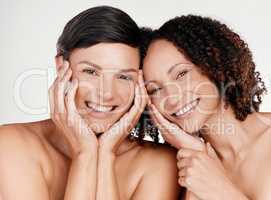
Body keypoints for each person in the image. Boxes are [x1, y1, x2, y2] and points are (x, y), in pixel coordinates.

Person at [0, 6, 180, 200]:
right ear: (62, 67)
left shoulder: (159, 164)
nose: (107, 94)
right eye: (91, 72)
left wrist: (106, 154)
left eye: (123, 77)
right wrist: (85, 153)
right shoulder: (11, 143)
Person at [142, 15, 271, 199]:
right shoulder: (192, 174)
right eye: (155, 89)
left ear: (213, 65)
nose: (172, 98)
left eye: (181, 74)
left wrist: (219, 190)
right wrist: (195, 153)